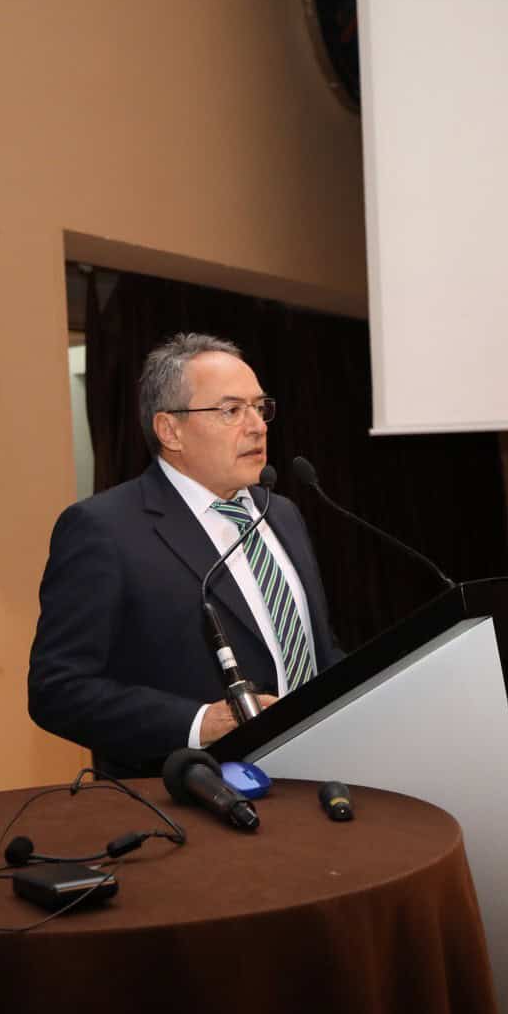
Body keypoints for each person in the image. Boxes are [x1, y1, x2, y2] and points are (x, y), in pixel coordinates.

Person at [28, 333, 344, 777]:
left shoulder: (282, 513)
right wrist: (199, 723)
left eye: (260, 407)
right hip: (195, 793)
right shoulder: (105, 529)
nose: (257, 426)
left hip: (316, 778)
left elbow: (315, 647)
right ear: (170, 430)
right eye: (232, 410)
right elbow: (57, 690)